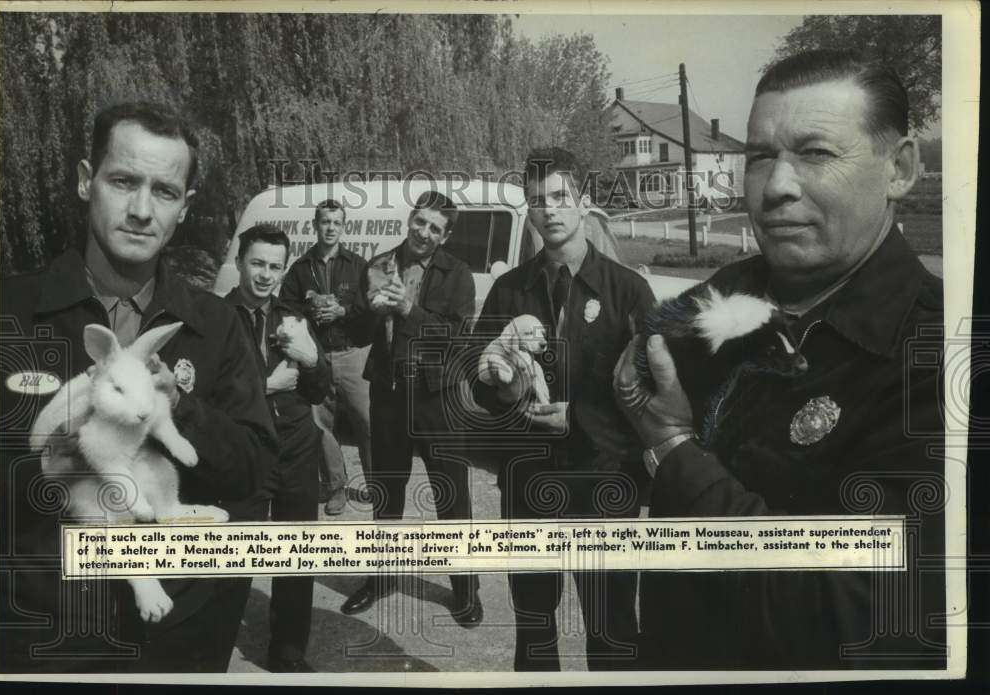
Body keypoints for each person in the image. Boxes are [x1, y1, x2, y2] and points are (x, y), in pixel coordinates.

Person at [614, 49, 945, 670]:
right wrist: (516, 384)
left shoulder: (940, 356)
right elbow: (609, 439)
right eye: (760, 156)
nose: (776, 187)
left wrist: (672, 447)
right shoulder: (724, 296)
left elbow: (861, 611)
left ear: (900, 169)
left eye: (816, 153)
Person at [0, 102, 277, 673]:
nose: (142, 210)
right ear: (85, 181)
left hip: (179, 638)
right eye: (124, 181)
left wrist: (183, 410)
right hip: (48, 635)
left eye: (165, 191)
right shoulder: (10, 312)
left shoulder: (215, 325)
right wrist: (51, 455)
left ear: (185, 208)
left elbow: (255, 470)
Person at [472, 148, 655, 671]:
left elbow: (657, 398)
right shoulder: (509, 289)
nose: (549, 210)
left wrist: (580, 417)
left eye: (559, 197)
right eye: (536, 201)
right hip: (528, 482)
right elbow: (478, 386)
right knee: (533, 624)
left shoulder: (627, 291)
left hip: (604, 480)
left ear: (584, 201)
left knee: (613, 624)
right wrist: (501, 392)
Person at [339, 190, 482, 627]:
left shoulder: (458, 274)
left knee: (452, 498)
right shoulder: (380, 264)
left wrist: (408, 309)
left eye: (434, 228)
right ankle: (382, 579)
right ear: (410, 220)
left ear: (445, 235)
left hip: (438, 396)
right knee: (386, 493)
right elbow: (359, 330)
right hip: (388, 392)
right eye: (420, 222)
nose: (423, 232)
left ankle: (465, 591)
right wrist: (365, 310)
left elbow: (457, 338)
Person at [225, 224, 329, 672]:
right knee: (234, 551)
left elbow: (320, 388)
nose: (266, 275)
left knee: (295, 551)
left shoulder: (293, 317)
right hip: (245, 450)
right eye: (257, 263)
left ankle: (287, 652)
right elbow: (205, 399)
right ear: (239, 262)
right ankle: (215, 640)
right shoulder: (215, 317)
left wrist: (311, 359)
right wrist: (266, 387)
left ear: (285, 270)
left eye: (275, 266)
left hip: (296, 447)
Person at [280, 199, 371, 515]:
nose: (330, 227)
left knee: (367, 422)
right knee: (320, 426)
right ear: (314, 225)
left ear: (343, 226)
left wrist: (343, 310)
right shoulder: (300, 269)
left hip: (354, 354)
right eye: (325, 221)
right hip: (316, 358)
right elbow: (285, 309)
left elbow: (371, 308)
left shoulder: (358, 265)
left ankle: (376, 482)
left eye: (336, 222)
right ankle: (335, 487)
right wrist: (311, 311)